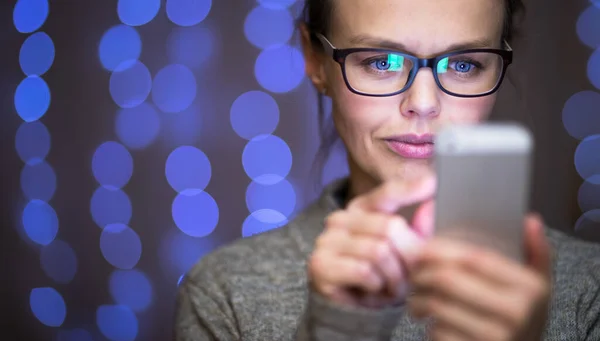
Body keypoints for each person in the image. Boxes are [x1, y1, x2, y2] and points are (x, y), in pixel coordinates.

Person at [175, 0, 600, 340]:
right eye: (382, 61)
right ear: (315, 60)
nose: (424, 102)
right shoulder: (226, 292)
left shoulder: (588, 287)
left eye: (464, 64)